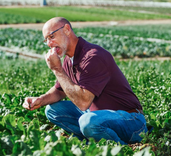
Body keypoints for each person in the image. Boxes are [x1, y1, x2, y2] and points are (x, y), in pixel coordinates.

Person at [22, 17, 152, 145]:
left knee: (88, 122)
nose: (49, 43)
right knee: (52, 110)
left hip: (130, 121)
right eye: (46, 40)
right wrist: (40, 99)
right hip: (97, 116)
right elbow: (60, 91)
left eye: (51, 36)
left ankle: (122, 151)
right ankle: (92, 142)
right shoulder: (69, 59)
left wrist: (57, 69)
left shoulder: (93, 56)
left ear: (67, 29)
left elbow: (83, 103)